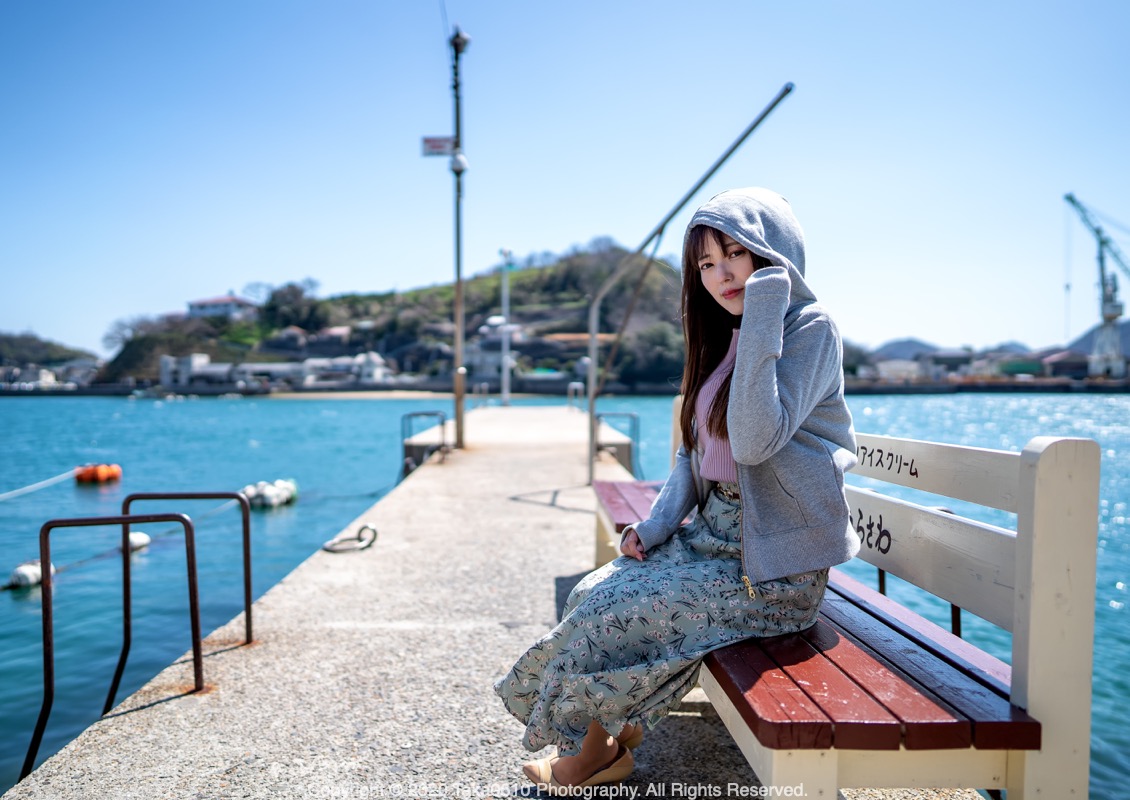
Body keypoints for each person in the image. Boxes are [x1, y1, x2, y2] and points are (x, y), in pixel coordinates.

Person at [493, 187, 860, 794]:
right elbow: (694, 455)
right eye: (706, 266)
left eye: (736, 253)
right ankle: (607, 741)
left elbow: (752, 441)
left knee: (614, 613)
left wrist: (769, 305)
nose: (722, 275)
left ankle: (596, 754)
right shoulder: (729, 337)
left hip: (773, 568)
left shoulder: (808, 329)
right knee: (594, 591)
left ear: (775, 253)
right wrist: (656, 527)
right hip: (714, 541)